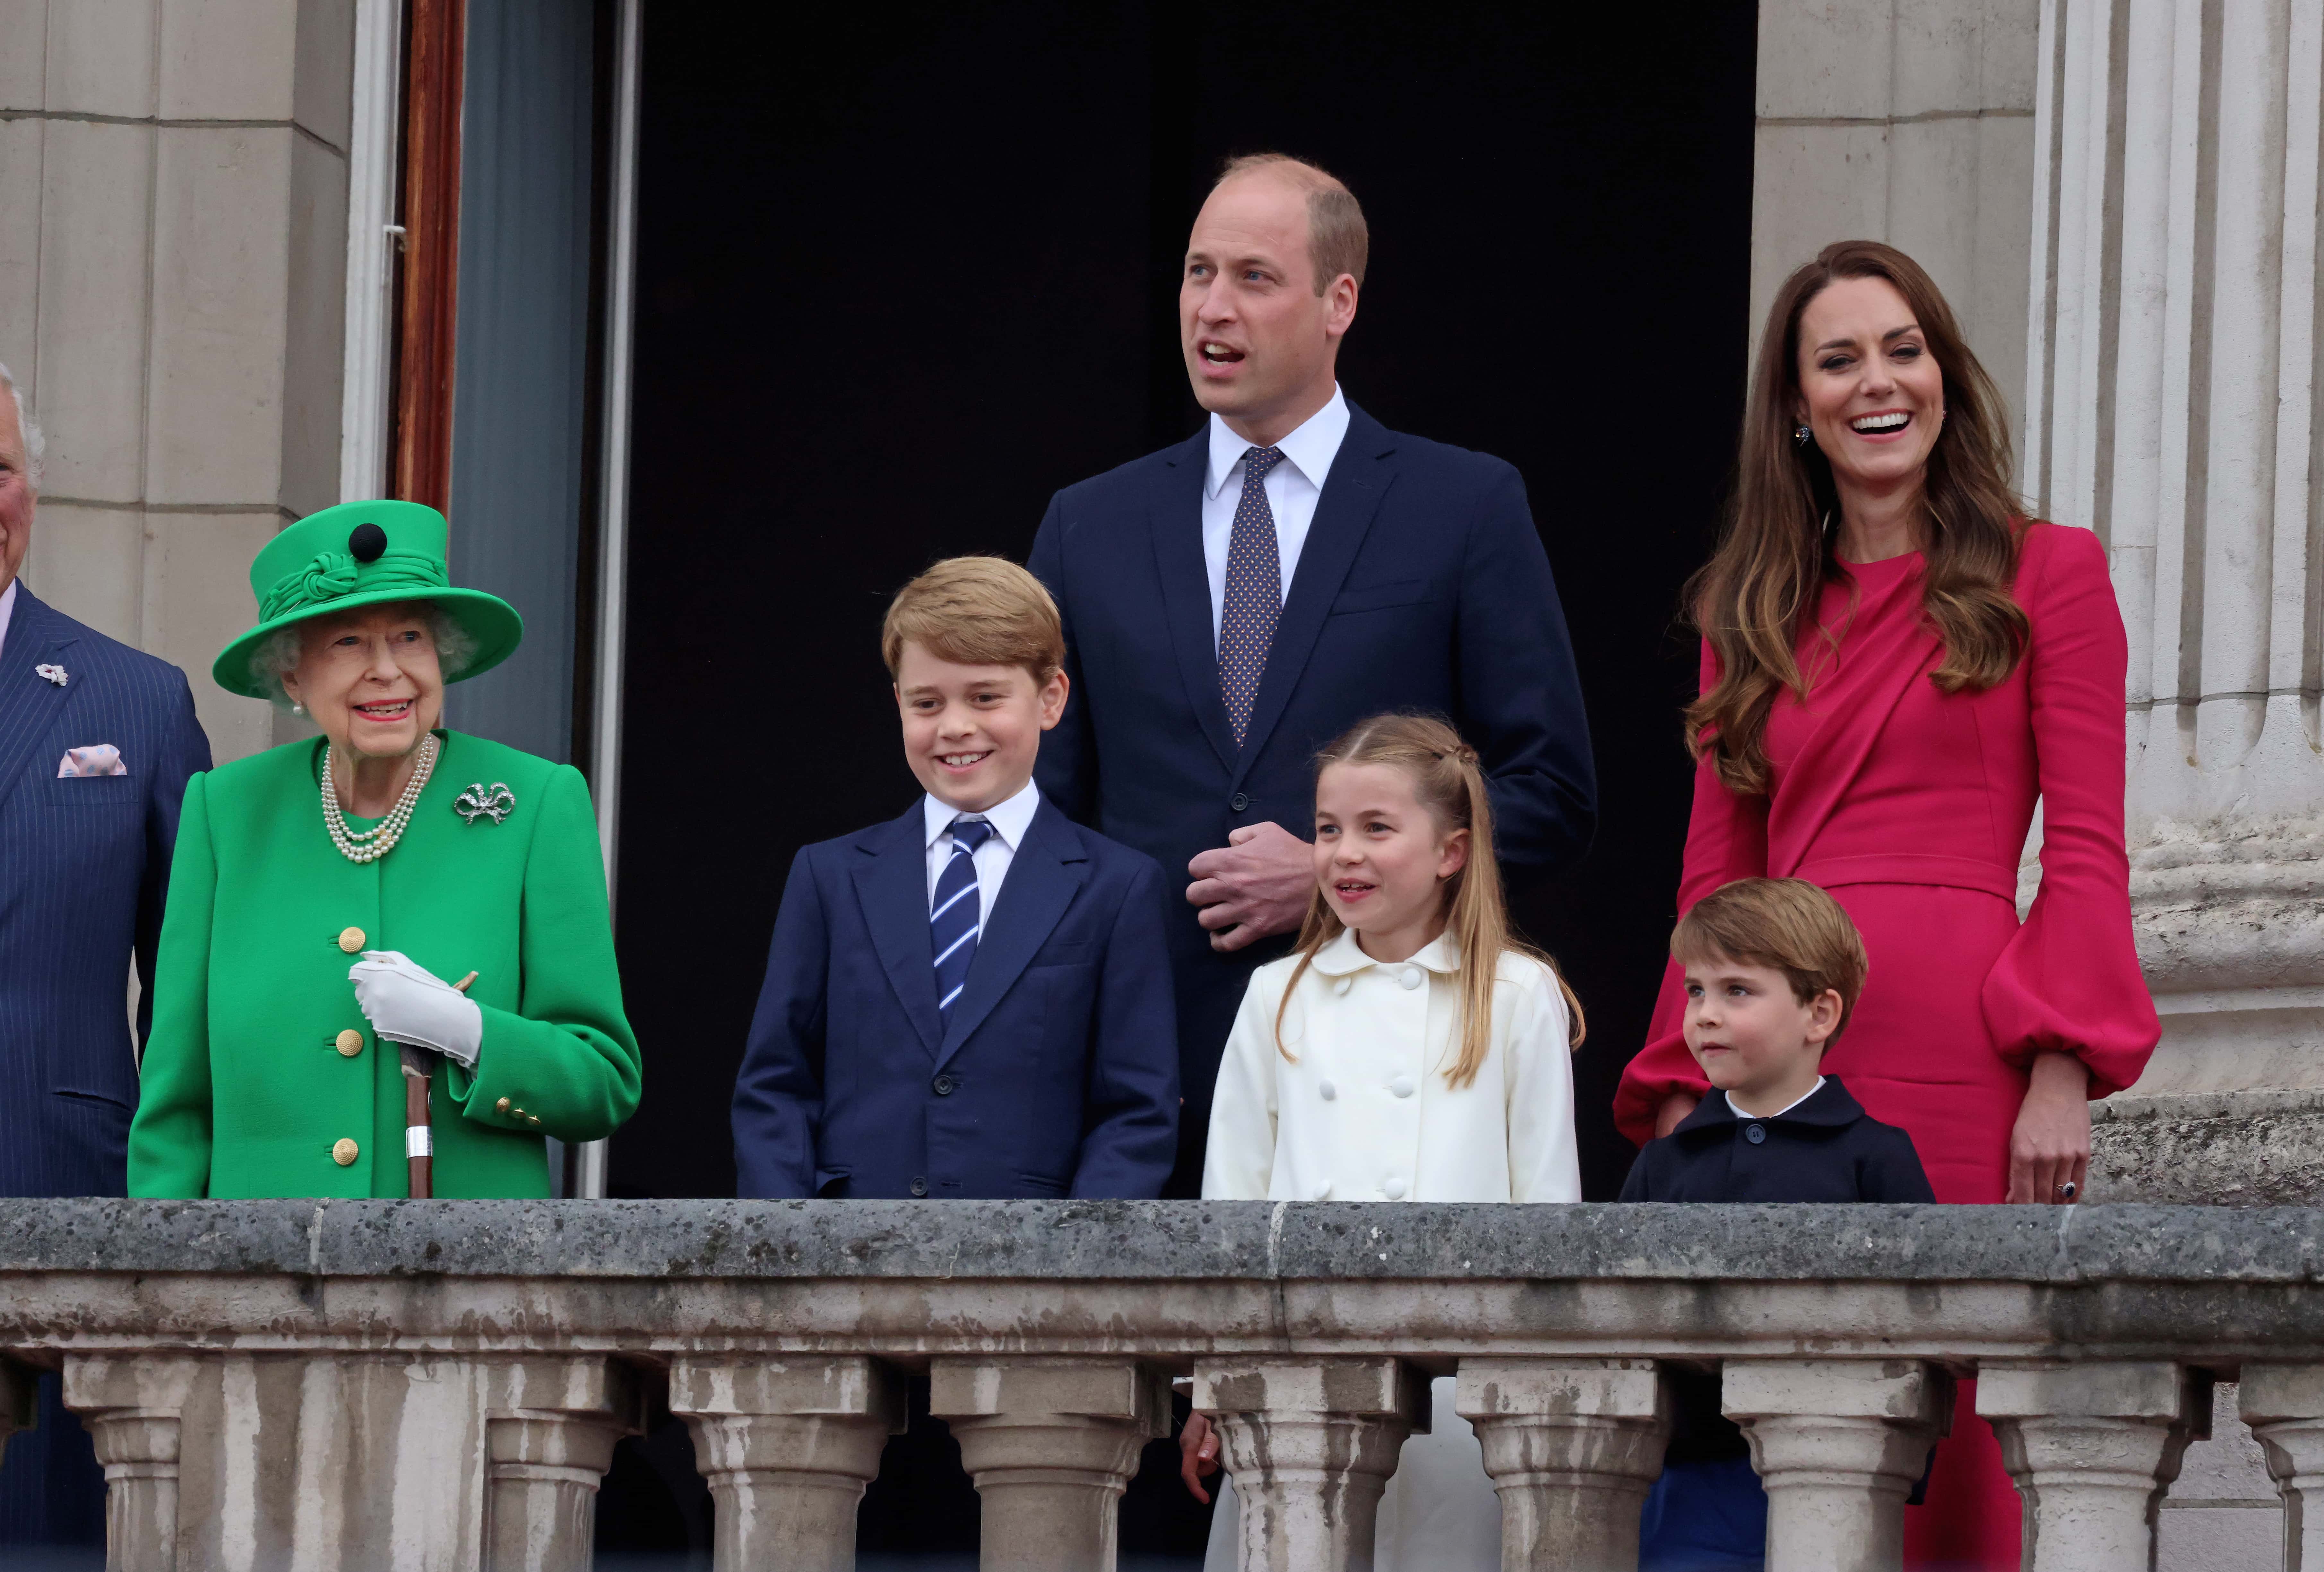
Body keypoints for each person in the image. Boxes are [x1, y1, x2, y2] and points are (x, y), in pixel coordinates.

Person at [1611, 240, 2159, 1565]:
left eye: (1902, 348)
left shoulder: (2051, 573)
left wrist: (2058, 1066)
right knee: (1773, 1441)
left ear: (1943, 377)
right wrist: (1694, 1070)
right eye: (1839, 358)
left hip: (1970, 1063)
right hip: (1790, 1058)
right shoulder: (1747, 609)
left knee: (1949, 1430)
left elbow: (2085, 848)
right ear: (1793, 406)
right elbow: (1712, 881)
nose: (1878, 382)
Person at [1028, 153, 1594, 1199]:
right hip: (1135, 1093)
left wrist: (1340, 877)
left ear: (1340, 301)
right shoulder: (1087, 524)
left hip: (1386, 1094)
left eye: (1253, 276)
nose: (1212, 308)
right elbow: (1042, 818)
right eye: (1198, 273)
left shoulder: (1461, 505)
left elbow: (1550, 788)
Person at [129, 499, 641, 1199]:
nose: (387, 671)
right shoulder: (226, 811)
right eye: (347, 642)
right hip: (256, 1279)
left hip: (465, 1278)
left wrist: (473, 1034)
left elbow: (604, 1082)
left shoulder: (536, 803)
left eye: (409, 637)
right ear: (291, 677)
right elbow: (176, 1105)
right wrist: (169, 1290)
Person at [1186, 713, 1582, 1571]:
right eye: (1328, 829)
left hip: (1462, 1393)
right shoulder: (1276, 993)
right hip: (1300, 1377)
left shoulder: (1517, 995)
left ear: (1451, 850)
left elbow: (1549, 1208)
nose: (1344, 854)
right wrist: (1213, 1386)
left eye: (1376, 828)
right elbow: (1232, 1201)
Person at [730, 555, 1179, 1200]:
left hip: (1035, 1272)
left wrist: (1075, 1271)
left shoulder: (1118, 887)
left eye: (986, 697)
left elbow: (1135, 1113)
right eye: (927, 702)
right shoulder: (829, 877)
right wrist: (789, 1252)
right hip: (844, 1262)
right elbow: (777, 1085)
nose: (955, 726)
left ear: (1051, 698)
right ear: (898, 705)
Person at [0, 367, 210, 1544]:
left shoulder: (135, 701)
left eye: (1, 465)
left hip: (58, 1209)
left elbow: (188, 987)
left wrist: (167, 1222)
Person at [1621, 877, 1934, 1569]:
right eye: (1696, 990)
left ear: (1819, 1013)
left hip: (1841, 1464)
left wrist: (1903, 1460)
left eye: (1737, 990)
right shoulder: (1664, 1164)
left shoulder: (1876, 1155)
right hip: (1689, 1474)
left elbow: (1922, 1323)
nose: (1704, 1013)